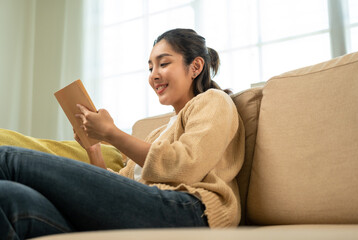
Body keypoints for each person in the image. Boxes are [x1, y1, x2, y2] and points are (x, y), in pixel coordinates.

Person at [0, 28, 244, 239]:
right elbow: (120, 187)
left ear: (196, 66)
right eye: (150, 68)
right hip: (148, 207)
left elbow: (184, 165)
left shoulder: (213, 102)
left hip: (190, 211)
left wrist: (112, 133)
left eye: (164, 63)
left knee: (7, 159)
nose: (154, 75)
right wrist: (94, 147)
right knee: (9, 198)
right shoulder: (158, 133)